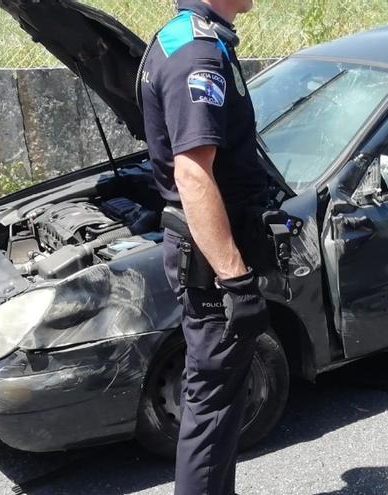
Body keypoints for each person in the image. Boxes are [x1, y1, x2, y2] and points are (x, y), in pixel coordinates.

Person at [137, 0, 271, 494]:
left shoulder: (180, 36)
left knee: (218, 398)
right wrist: (235, 277)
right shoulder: (198, 54)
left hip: (201, 251)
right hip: (211, 261)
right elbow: (193, 174)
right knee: (212, 407)